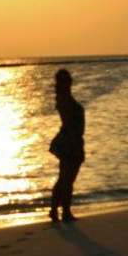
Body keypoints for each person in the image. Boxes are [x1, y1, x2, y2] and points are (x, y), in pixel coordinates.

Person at [48, 68, 84, 222]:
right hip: (70, 141)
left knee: (64, 178)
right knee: (67, 179)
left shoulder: (64, 98)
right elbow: (69, 123)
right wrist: (74, 141)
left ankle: (56, 210)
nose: (69, 82)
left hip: (71, 139)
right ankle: (64, 211)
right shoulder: (64, 99)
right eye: (66, 80)